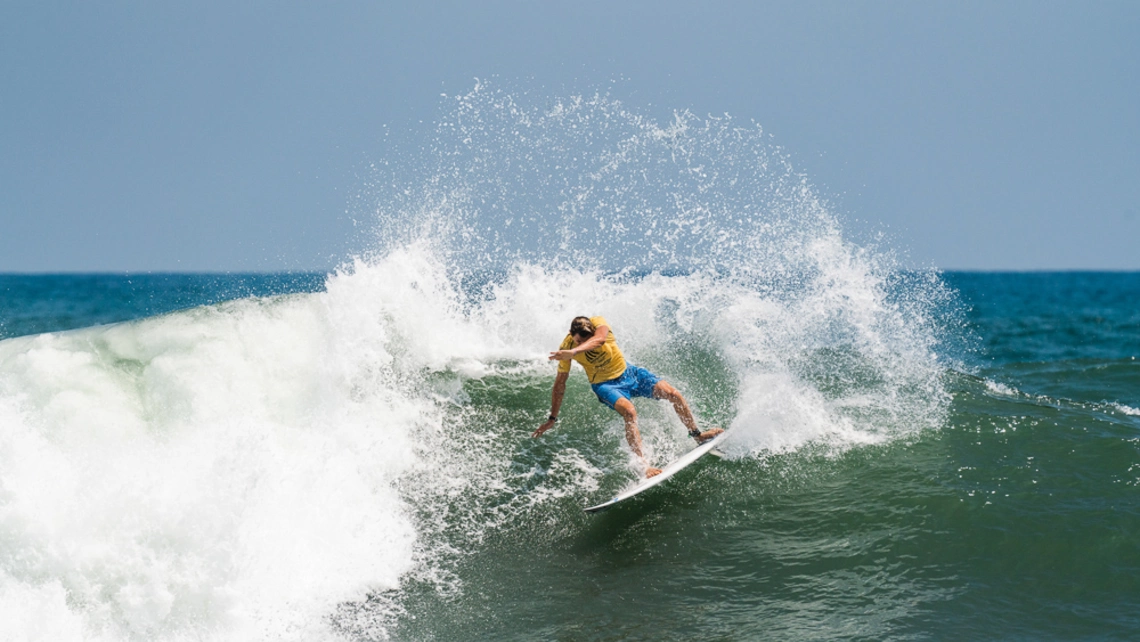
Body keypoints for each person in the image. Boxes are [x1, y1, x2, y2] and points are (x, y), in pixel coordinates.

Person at [532, 315, 723, 477]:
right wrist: (552, 418)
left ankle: (697, 435)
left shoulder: (598, 324)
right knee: (630, 413)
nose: (582, 345)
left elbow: (599, 340)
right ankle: (644, 466)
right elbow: (560, 384)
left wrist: (574, 351)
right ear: (570, 335)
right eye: (577, 341)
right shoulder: (565, 346)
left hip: (631, 374)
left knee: (674, 394)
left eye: (584, 341)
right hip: (605, 385)